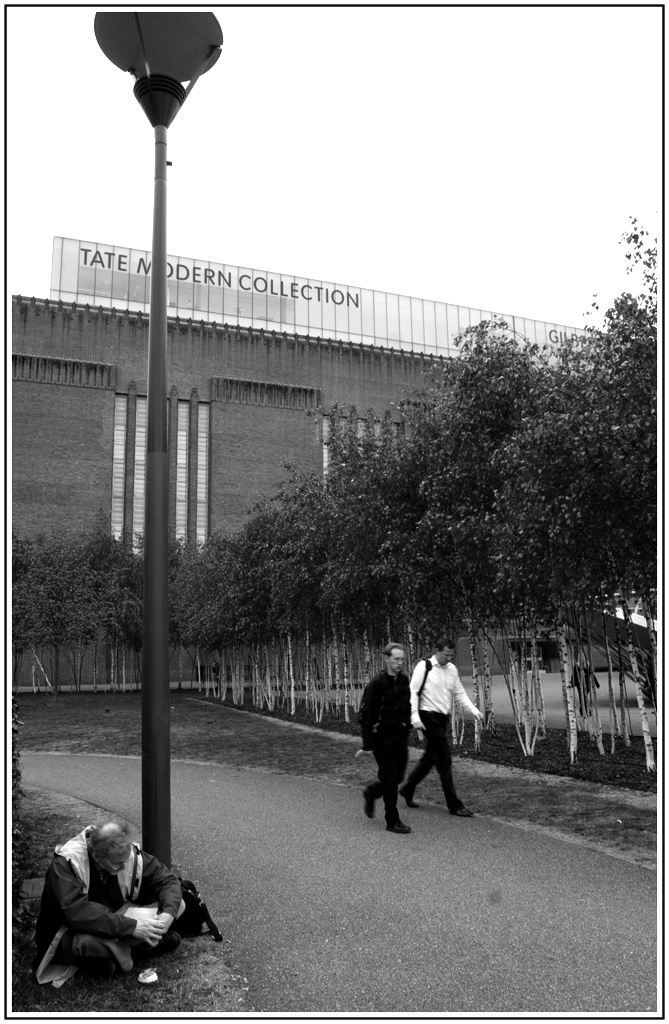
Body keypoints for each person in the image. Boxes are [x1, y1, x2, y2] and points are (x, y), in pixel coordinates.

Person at [33, 821, 186, 987]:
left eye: (125, 861)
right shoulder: (66, 863)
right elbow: (76, 913)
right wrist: (132, 927)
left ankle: (114, 956)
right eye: (118, 863)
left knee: (180, 904)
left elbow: (167, 880)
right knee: (87, 943)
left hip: (115, 919)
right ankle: (139, 949)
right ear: (97, 857)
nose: (123, 867)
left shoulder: (126, 853)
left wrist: (167, 915)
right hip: (72, 930)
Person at [399, 636, 484, 817]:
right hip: (427, 716)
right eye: (446, 655)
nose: (449, 658)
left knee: (430, 758)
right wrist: (414, 717)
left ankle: (408, 788)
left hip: (442, 718)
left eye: (452, 655)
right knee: (444, 760)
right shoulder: (424, 667)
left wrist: (474, 710)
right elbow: (413, 692)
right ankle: (454, 805)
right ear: (436, 651)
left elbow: (459, 692)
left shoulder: (452, 669)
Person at [356, 643, 412, 834]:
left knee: (397, 777)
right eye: (396, 659)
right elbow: (365, 714)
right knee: (389, 776)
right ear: (387, 659)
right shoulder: (377, 683)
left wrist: (407, 725)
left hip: (399, 734)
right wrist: (368, 743)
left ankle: (371, 792)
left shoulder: (404, 681)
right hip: (381, 735)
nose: (399, 663)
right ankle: (392, 820)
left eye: (402, 659)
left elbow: (407, 706)